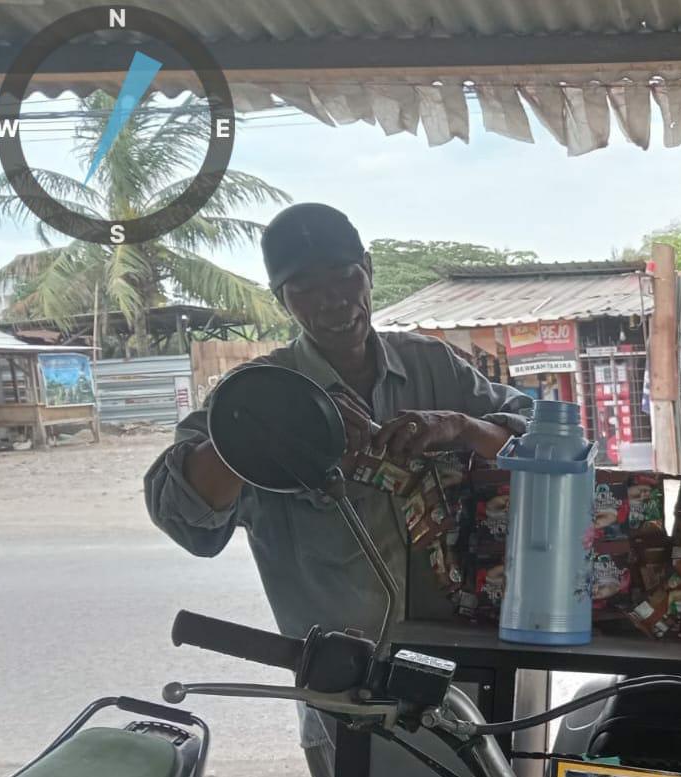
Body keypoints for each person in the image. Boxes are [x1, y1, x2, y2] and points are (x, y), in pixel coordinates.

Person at [144, 203, 530, 777]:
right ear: (281, 299)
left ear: (368, 270)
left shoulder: (435, 367)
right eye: (304, 287)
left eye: (345, 277)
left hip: (466, 679)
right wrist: (266, 429)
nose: (332, 300)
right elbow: (180, 513)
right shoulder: (252, 396)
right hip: (344, 696)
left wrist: (459, 426)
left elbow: (547, 447)